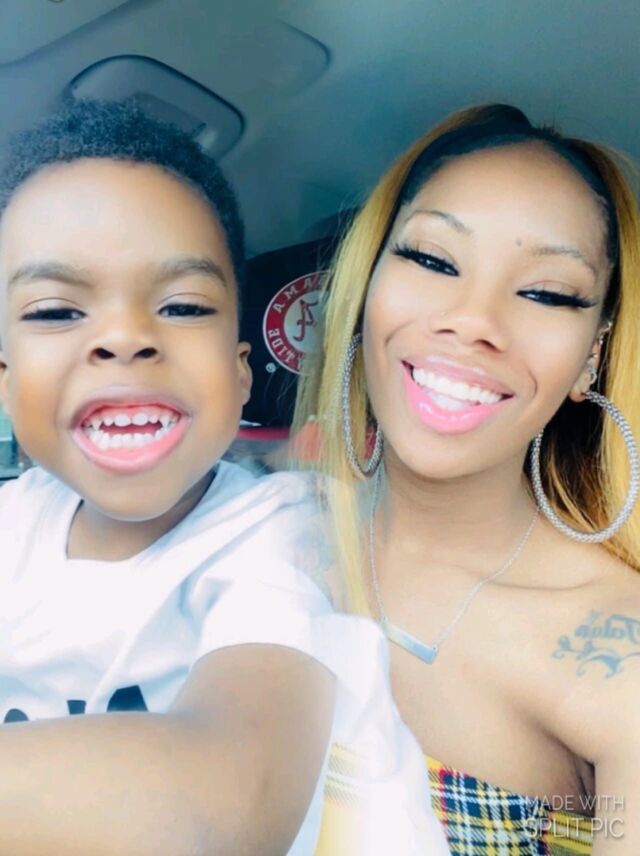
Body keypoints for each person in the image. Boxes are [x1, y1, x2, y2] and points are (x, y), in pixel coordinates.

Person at [0, 98, 451, 856]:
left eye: (182, 306)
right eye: (54, 312)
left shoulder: (288, 532)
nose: (125, 337)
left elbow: (229, 807)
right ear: (7, 381)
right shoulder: (13, 525)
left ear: (241, 377)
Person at [295, 103, 640, 854]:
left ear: (591, 354)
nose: (473, 320)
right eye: (432, 260)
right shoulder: (260, 531)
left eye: (546, 293)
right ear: (367, 284)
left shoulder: (618, 660)